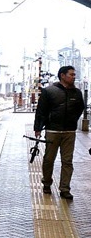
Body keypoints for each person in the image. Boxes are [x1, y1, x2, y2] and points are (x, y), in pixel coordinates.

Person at [33, 65, 85, 200]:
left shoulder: (77, 93)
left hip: (69, 131)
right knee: (49, 159)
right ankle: (47, 183)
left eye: (74, 75)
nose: (74, 77)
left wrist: (73, 120)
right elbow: (41, 111)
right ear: (62, 75)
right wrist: (38, 128)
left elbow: (80, 108)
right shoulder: (49, 91)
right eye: (71, 74)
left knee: (67, 161)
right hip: (52, 130)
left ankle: (65, 189)